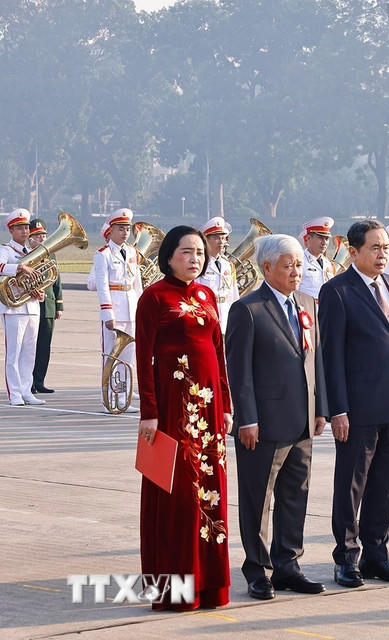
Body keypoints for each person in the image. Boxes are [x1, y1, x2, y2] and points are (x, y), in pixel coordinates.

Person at [224, 234, 329, 600]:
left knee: (294, 496)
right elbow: (240, 373)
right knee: (257, 499)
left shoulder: (306, 304)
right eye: (288, 265)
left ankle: (288, 565)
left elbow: (315, 362)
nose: (296, 271)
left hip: (302, 420)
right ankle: (258, 569)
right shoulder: (247, 309)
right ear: (266, 267)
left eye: (299, 264)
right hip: (263, 425)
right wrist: (247, 419)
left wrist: (321, 410)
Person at [135, 225, 232, 610]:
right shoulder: (153, 298)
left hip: (208, 413)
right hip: (173, 412)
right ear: (169, 256)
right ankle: (174, 589)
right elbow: (143, 358)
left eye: (199, 252)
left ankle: (210, 585)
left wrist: (225, 404)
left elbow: (218, 353)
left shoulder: (207, 294)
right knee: (175, 496)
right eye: (186, 252)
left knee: (210, 495)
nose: (195, 259)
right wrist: (149, 412)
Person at [318, 219, 389, 588]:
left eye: (386, 248)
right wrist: (337, 409)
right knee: (351, 486)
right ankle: (346, 558)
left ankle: (378, 555)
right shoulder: (337, 291)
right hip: (357, 409)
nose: (382, 255)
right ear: (353, 251)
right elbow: (332, 356)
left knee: (385, 486)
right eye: (374, 248)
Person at [93, 208, 142, 412]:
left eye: (127, 228)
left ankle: (123, 396)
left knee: (128, 357)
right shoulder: (102, 254)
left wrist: (142, 309)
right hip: (115, 308)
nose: (124, 233)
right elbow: (102, 286)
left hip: (131, 307)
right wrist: (108, 313)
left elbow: (137, 283)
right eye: (120, 228)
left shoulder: (132, 252)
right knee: (112, 356)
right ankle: (110, 399)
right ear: (111, 230)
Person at [0, 209, 45, 406]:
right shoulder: (6, 250)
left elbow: (41, 277)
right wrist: (19, 267)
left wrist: (40, 292)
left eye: (26, 227)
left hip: (32, 306)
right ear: (11, 230)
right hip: (13, 308)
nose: (25, 231)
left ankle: (27, 391)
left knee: (29, 352)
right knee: (14, 352)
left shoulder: (34, 252)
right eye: (19, 228)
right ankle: (15, 394)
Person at [26, 219, 62, 394]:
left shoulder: (51, 255)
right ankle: (28, 382)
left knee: (44, 346)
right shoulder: (25, 255)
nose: (42, 239)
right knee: (30, 346)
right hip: (29, 305)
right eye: (37, 236)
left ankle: (39, 381)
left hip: (47, 305)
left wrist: (59, 305)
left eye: (43, 235)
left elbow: (56, 281)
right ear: (30, 238)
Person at [195, 217, 240, 333]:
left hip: (225, 317)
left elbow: (233, 295)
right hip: (205, 317)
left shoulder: (228, 265)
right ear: (205, 239)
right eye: (215, 237)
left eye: (222, 237)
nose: (221, 241)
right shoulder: (200, 264)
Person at [299, 216, 336, 302]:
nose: (324, 243)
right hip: (306, 311)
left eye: (326, 239)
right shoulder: (300, 261)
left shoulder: (328, 263)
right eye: (320, 238)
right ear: (308, 238)